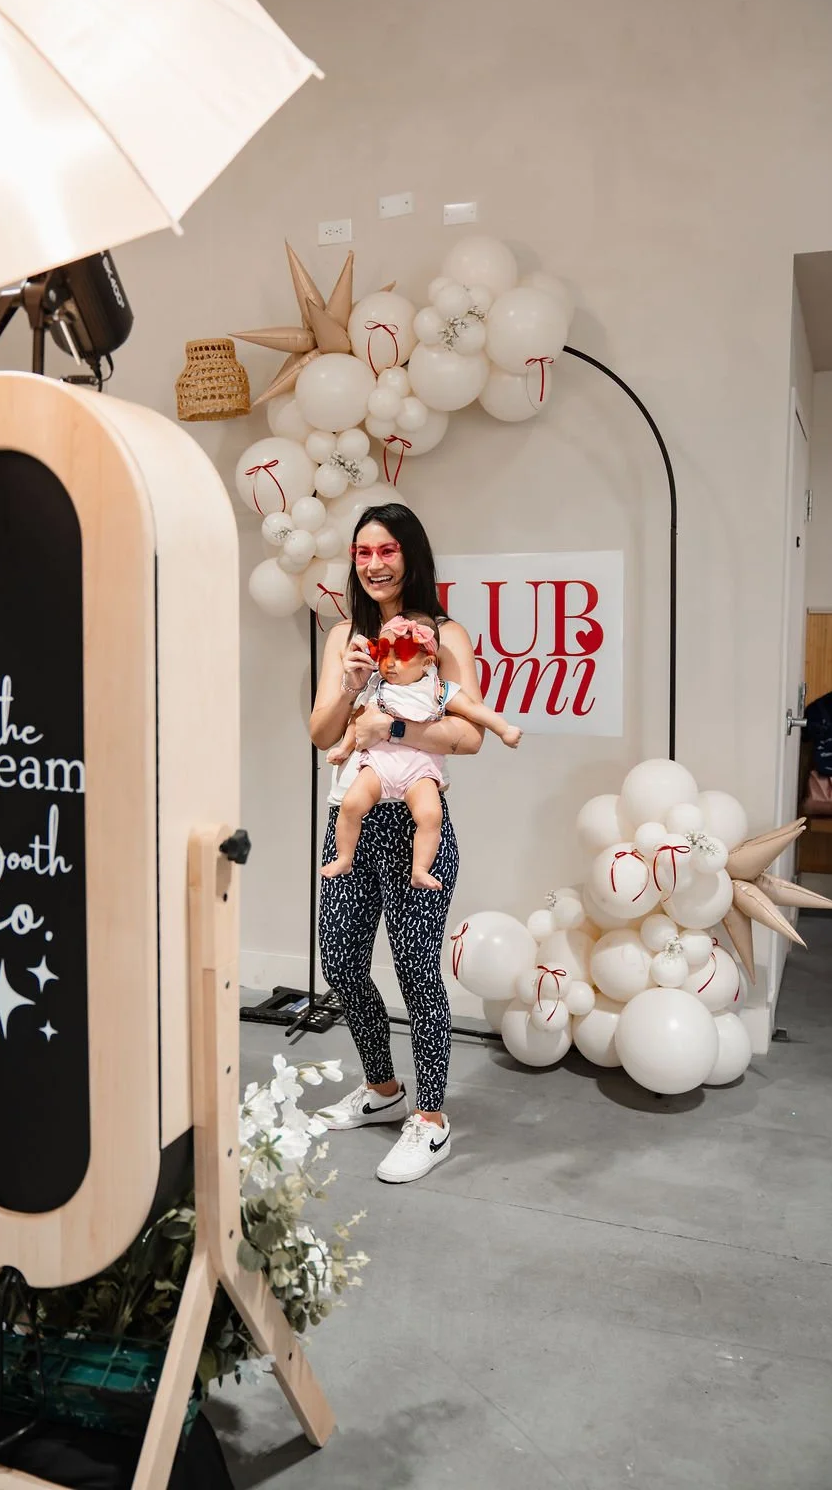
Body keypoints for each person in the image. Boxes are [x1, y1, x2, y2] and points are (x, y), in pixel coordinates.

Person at [310, 504, 488, 1185]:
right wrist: (353, 686)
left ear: (411, 555)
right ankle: (383, 1091)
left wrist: (393, 730)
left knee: (417, 971)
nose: (375, 564)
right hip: (351, 819)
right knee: (343, 961)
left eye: (387, 550)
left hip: (417, 823)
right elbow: (324, 734)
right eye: (362, 553)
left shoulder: (445, 635)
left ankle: (432, 1120)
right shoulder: (345, 636)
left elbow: (468, 736)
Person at [323, 611, 522, 889]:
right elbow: (358, 719)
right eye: (383, 652)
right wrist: (344, 748)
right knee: (351, 805)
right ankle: (345, 857)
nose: (390, 663)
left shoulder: (439, 689)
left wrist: (504, 729)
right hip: (377, 767)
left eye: (402, 654)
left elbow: (475, 710)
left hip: (419, 772)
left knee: (429, 815)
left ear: (428, 662)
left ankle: (420, 869)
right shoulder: (376, 687)